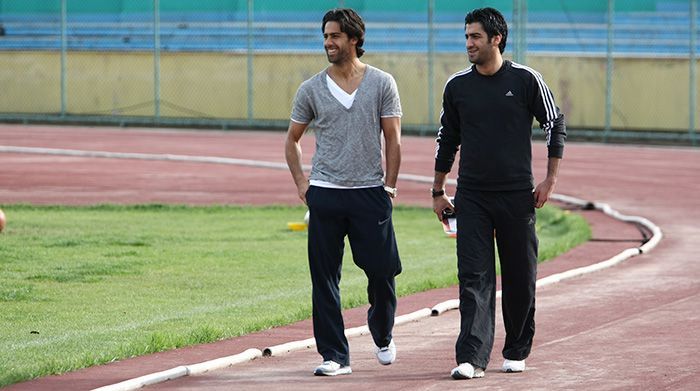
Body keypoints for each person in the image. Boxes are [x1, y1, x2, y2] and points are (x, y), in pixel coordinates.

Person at [431, 7, 566, 380]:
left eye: (475, 36)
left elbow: (555, 123)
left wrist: (550, 180)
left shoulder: (525, 80)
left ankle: (517, 348)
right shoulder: (457, 86)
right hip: (471, 196)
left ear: (496, 39)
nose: (468, 43)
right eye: (466, 36)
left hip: (517, 196)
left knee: (520, 276)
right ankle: (472, 357)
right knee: (473, 277)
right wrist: (438, 189)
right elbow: (447, 139)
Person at [284, 8, 403, 377]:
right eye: (325, 36)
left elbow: (393, 139)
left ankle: (382, 332)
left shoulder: (382, 83)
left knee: (382, 273)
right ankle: (334, 355)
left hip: (370, 192)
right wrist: (304, 185)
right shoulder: (311, 89)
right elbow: (292, 140)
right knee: (324, 278)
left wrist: (390, 188)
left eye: (335, 36)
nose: (328, 43)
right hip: (325, 193)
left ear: (354, 39)